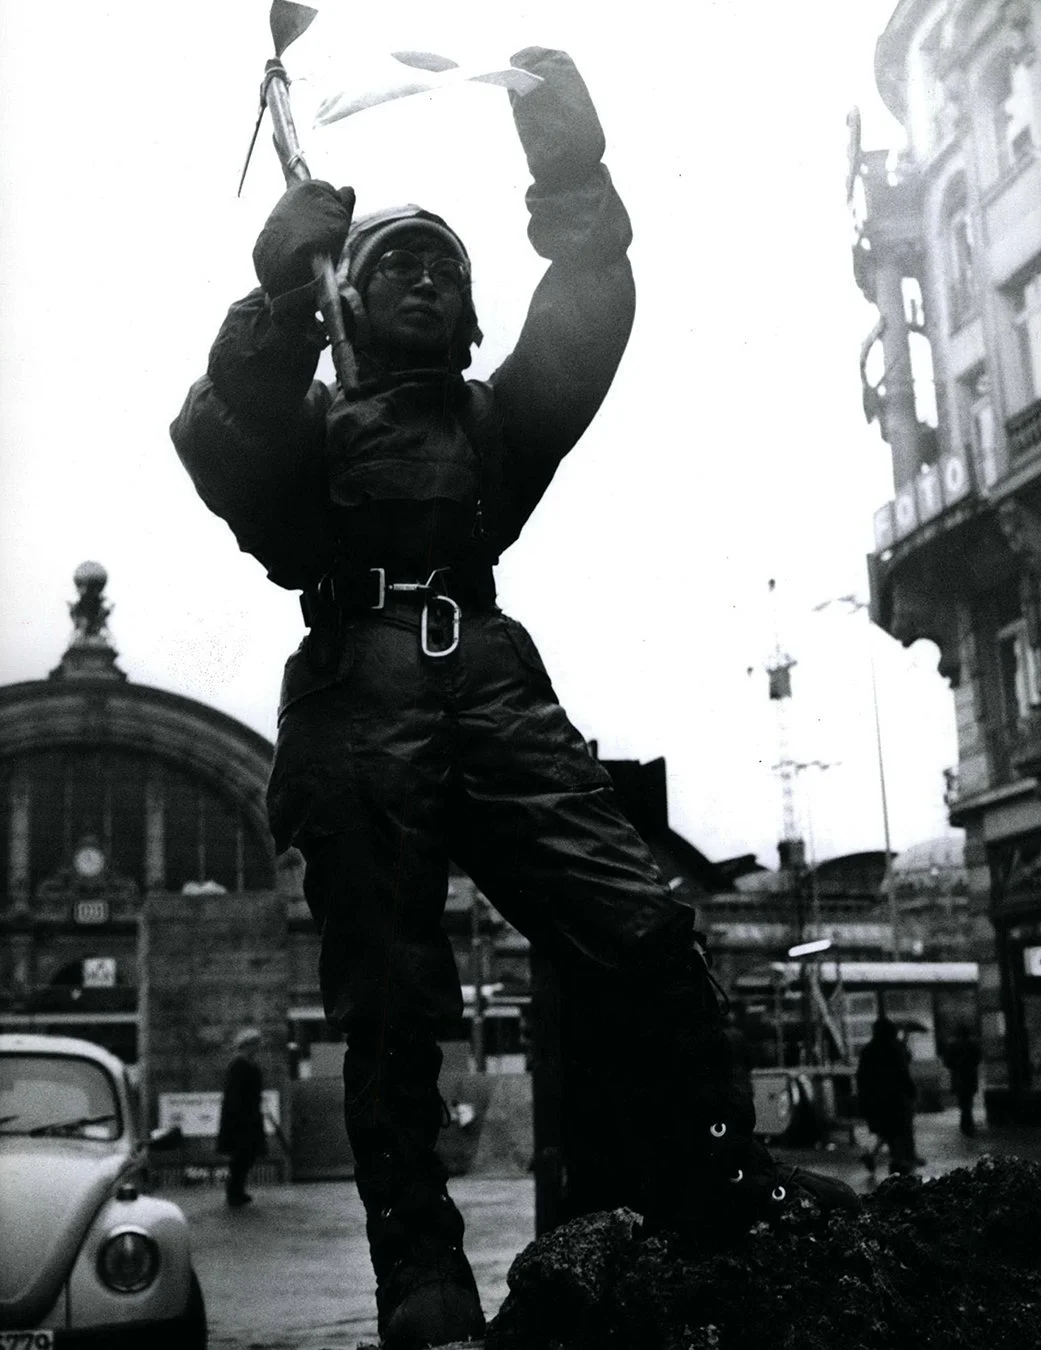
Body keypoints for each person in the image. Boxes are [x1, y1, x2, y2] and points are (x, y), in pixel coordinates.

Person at [172, 48, 857, 1349]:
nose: (425, 274)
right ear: (346, 300)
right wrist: (274, 297)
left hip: (488, 672)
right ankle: (420, 1270)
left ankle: (721, 1184)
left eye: (445, 263)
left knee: (642, 927)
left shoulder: (498, 424)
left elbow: (590, 295)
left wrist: (570, 161)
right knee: (388, 1000)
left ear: (474, 318)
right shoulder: (306, 432)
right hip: (355, 687)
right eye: (392, 262)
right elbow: (215, 435)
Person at [856, 1016, 919, 1175]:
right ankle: (897, 1162)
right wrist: (911, 1091)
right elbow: (902, 1072)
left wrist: (863, 1099)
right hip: (895, 1098)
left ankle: (880, 1157)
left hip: (875, 1099)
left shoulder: (868, 1050)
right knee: (897, 1131)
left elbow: (861, 1076)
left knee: (886, 1131)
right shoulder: (893, 1049)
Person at [217, 1028, 266, 1208]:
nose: (258, 1048)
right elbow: (234, 1094)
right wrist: (240, 1117)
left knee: (247, 1155)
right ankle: (234, 1191)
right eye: (255, 1044)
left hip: (250, 1116)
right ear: (247, 1045)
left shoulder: (249, 1064)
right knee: (241, 1155)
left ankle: (238, 1190)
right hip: (241, 1119)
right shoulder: (238, 1065)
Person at [941, 1022, 982, 1137]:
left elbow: (947, 1062)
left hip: (958, 1077)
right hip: (970, 1077)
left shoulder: (952, 1046)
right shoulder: (973, 1045)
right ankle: (968, 1123)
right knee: (968, 1102)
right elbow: (978, 1059)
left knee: (963, 1102)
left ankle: (965, 1124)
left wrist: (956, 1066)